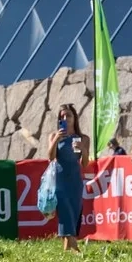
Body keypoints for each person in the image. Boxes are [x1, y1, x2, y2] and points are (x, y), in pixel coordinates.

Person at [48, 103, 90, 253]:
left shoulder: (84, 138)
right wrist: (56, 140)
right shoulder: (54, 136)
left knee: (74, 210)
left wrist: (84, 149)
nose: (66, 118)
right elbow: (50, 157)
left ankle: (67, 248)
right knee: (64, 210)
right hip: (59, 178)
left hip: (75, 179)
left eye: (69, 115)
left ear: (75, 118)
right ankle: (75, 246)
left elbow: (84, 164)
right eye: (62, 116)